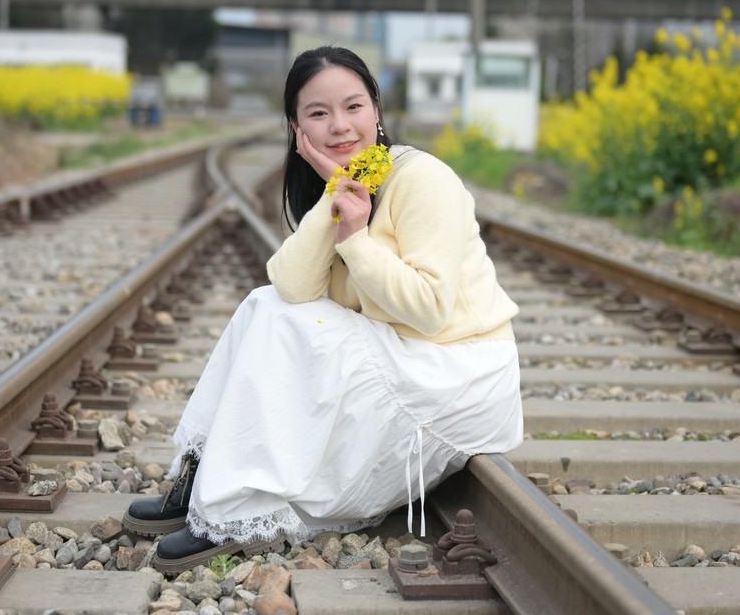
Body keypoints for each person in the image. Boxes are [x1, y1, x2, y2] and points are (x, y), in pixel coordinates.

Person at [122, 45, 523, 574]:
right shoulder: (353, 180)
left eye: (354, 107)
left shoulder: (422, 178)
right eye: (318, 113)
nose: (340, 126)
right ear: (296, 129)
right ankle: (203, 480)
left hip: (458, 370)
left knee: (281, 321)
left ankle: (232, 511)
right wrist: (336, 191)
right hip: (405, 360)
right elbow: (289, 285)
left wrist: (355, 237)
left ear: (377, 110)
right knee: (264, 305)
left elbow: (428, 310)